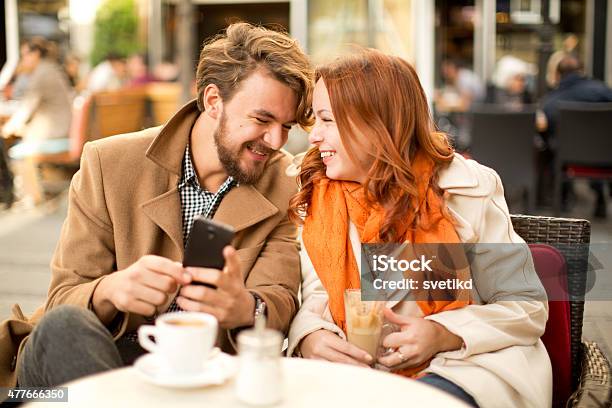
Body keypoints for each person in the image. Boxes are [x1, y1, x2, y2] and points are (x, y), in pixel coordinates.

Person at [0, 22, 313, 390]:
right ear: (213, 101)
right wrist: (111, 290)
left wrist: (244, 306)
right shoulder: (108, 162)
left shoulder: (284, 185)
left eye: (286, 126)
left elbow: (277, 297)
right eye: (262, 120)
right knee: (64, 327)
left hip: (197, 375)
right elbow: (62, 301)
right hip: (88, 366)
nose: (276, 141)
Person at [286, 49, 550, 408]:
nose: (314, 136)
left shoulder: (466, 190)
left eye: (327, 120)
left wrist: (444, 334)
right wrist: (311, 334)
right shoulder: (321, 193)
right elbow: (318, 293)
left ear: (378, 124)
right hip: (357, 371)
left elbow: (525, 306)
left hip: (462, 368)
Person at [0, 37, 74, 204]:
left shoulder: (42, 73)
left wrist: (8, 128)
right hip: (63, 127)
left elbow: (26, 108)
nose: (23, 60)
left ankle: (32, 197)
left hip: (55, 132)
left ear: (35, 54)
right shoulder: (52, 69)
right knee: (19, 139)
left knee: (16, 151)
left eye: (24, 55)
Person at [540, 55, 612, 217]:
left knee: (552, 145)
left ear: (558, 75)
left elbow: (545, 128)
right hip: (607, 157)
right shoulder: (604, 91)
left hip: (568, 160)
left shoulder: (551, 101)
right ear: (582, 71)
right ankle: (600, 196)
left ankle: (563, 199)